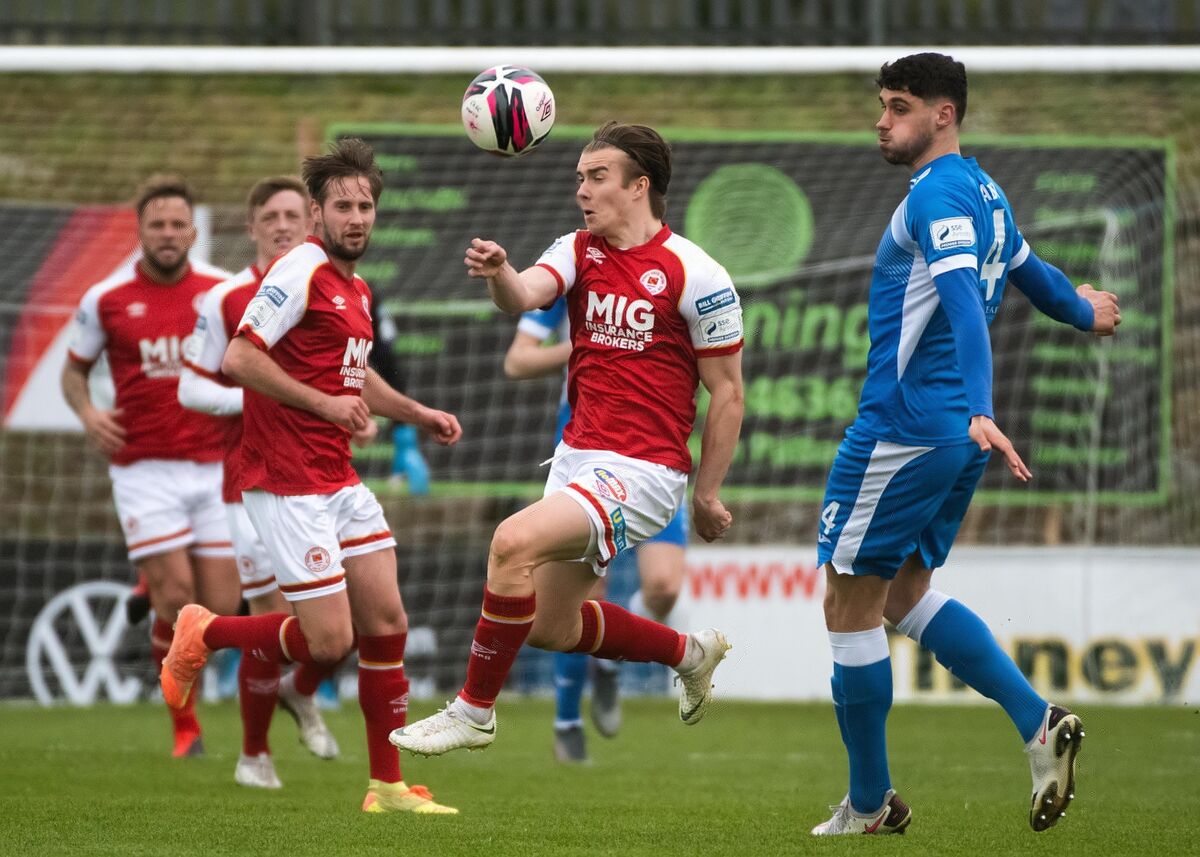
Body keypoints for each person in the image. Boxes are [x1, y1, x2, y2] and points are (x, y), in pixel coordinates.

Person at [809, 52, 1120, 836]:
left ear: (943, 114)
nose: (883, 119)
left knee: (848, 603)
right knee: (904, 595)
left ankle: (871, 802)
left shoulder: (941, 192)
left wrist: (981, 405)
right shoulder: (985, 191)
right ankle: (1037, 721)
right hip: (952, 437)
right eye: (882, 104)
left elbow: (961, 303)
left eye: (900, 105)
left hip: (905, 429)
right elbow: (1035, 275)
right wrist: (1085, 314)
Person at [391, 122, 744, 758]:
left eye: (597, 177)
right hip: (578, 459)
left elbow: (729, 392)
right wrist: (501, 272)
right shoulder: (577, 249)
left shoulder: (698, 273)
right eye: (579, 177)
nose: (581, 189)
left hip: (644, 471)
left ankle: (473, 712)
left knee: (510, 541)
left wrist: (708, 492)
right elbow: (523, 295)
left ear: (640, 187)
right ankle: (688, 654)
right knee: (552, 627)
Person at [159, 138, 463, 814]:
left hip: (337, 476)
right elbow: (240, 357)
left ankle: (386, 785)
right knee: (329, 640)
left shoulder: (353, 288)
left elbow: (357, 374)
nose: (357, 217)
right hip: (285, 477)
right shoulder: (300, 267)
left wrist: (415, 412)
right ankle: (205, 632)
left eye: (366, 206)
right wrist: (326, 403)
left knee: (387, 621)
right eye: (343, 206)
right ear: (319, 214)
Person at [61, 174, 240, 758]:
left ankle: (151, 589)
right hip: (143, 470)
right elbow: (73, 371)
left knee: (216, 612)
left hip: (216, 466)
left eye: (176, 224)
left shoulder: (221, 292)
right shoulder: (105, 299)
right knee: (179, 597)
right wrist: (88, 413)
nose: (167, 234)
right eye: (156, 224)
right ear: (140, 232)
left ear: (193, 229)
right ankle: (186, 731)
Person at [177, 175, 343, 789]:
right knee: (274, 616)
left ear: (311, 223)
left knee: (338, 626)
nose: (281, 225)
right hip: (249, 482)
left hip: (322, 478)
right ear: (251, 227)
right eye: (269, 215)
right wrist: (258, 403)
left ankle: (302, 693)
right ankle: (254, 755)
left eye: (292, 215)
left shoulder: (330, 288)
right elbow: (190, 385)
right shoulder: (225, 299)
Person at [504, 295, 690, 763]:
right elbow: (518, 359)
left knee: (664, 586)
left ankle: (608, 658)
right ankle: (567, 722)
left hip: (651, 450)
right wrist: (586, 347)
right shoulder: (571, 271)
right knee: (581, 593)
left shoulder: (675, 274)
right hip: (586, 446)